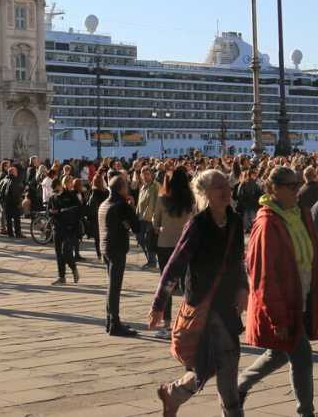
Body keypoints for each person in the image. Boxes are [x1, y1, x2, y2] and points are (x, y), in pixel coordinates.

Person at [237, 166, 318, 417]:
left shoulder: (301, 214)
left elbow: (317, 261)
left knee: (278, 354)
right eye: (291, 186)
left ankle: (237, 387)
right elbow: (263, 276)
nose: (297, 190)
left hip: (302, 299)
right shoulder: (266, 224)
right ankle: (306, 412)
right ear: (273, 189)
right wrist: (278, 319)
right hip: (283, 304)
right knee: (302, 356)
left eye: (297, 185)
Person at [151, 169, 246, 417]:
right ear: (204, 193)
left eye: (227, 185)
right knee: (227, 359)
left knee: (212, 362)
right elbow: (175, 264)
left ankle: (174, 392)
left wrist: (243, 288)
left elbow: (238, 260)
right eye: (218, 187)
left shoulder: (235, 221)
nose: (226, 191)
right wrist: (159, 303)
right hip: (204, 304)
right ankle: (232, 411)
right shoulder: (198, 225)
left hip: (227, 305)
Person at [150, 166, 195, 339]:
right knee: (187, 284)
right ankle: (187, 321)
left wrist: (161, 227)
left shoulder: (162, 199)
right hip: (185, 244)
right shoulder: (190, 200)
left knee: (166, 283)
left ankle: (167, 324)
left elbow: (155, 222)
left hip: (165, 244)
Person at [100, 172, 142, 336]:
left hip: (105, 248)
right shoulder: (122, 205)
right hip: (117, 248)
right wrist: (131, 206)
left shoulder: (104, 203)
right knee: (115, 287)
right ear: (121, 188)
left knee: (111, 286)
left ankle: (109, 320)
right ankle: (115, 323)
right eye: (126, 186)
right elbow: (137, 227)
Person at [47, 175, 82, 285]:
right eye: (54, 190)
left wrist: (62, 211)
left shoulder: (70, 195)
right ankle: (61, 277)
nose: (55, 191)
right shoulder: (52, 198)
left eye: (56, 189)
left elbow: (78, 208)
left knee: (66, 252)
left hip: (69, 228)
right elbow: (49, 211)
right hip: (57, 228)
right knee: (59, 254)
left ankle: (73, 268)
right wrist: (51, 212)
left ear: (60, 186)